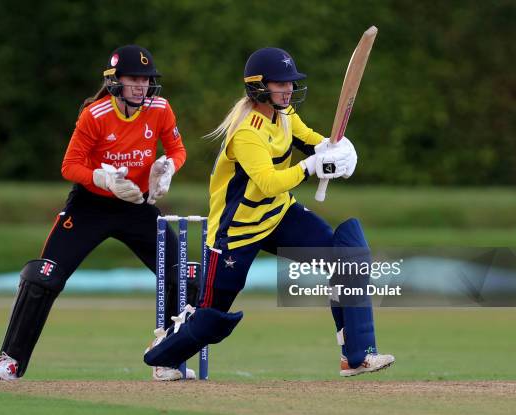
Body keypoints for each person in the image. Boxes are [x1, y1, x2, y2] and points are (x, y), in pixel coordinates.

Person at [144, 47, 395, 377]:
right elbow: (268, 181)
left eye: (291, 83)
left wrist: (336, 152)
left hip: (279, 216)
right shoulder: (247, 131)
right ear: (259, 87)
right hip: (237, 230)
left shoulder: (286, 114)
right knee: (212, 314)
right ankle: (163, 356)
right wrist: (311, 166)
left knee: (344, 255)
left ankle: (356, 355)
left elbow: (312, 142)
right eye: (281, 84)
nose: (289, 89)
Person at [0, 45, 195, 382]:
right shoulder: (95, 114)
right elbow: (70, 165)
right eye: (133, 79)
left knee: (185, 276)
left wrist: (168, 168)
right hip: (89, 207)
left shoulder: (160, 109)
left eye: (146, 79)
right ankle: (10, 360)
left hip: (137, 207)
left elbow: (177, 149)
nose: (141, 86)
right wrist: (100, 177)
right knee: (44, 276)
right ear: (115, 81)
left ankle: (165, 358)